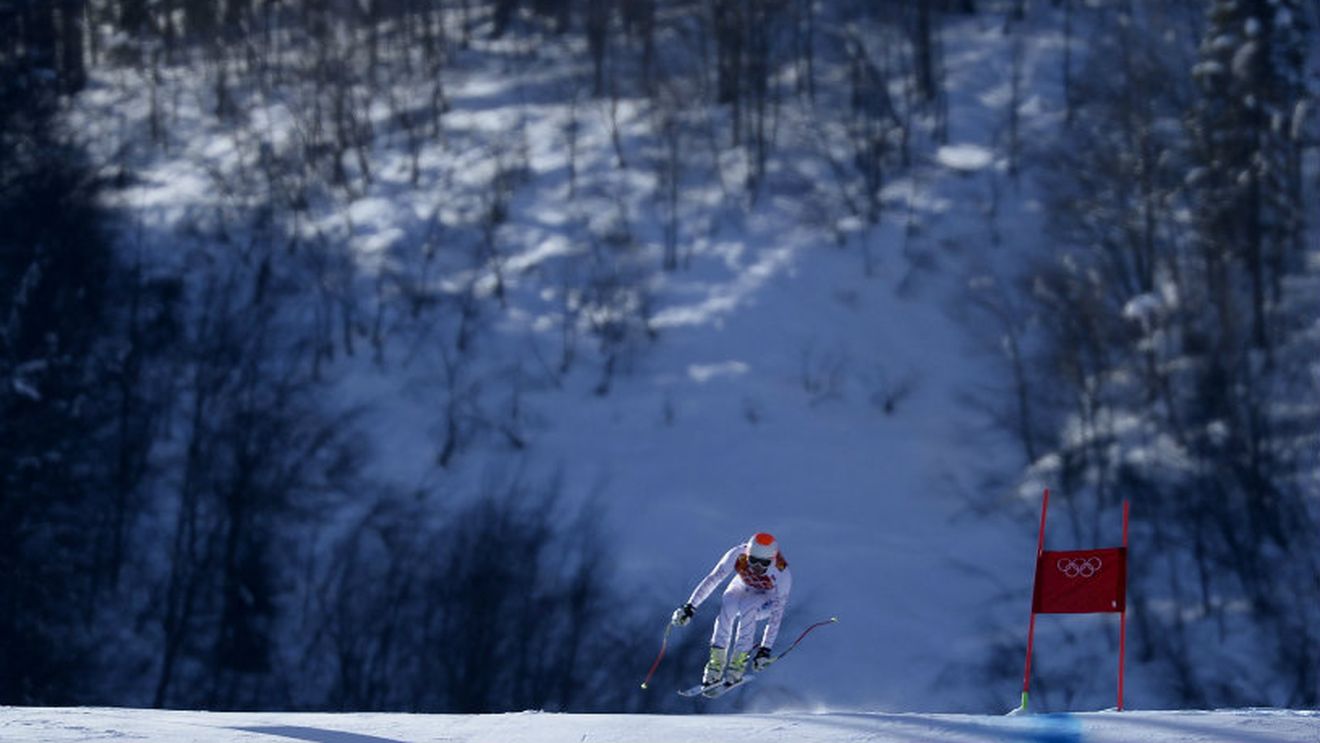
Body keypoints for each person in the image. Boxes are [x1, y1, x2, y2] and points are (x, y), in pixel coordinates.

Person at [671, 532, 792, 687]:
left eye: (764, 564)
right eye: (753, 560)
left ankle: (737, 666)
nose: (757, 567)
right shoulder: (737, 554)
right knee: (728, 605)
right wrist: (690, 607)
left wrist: (765, 649)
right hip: (742, 586)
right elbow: (713, 579)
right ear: (747, 554)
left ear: (773, 560)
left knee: (749, 607)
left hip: (766, 598)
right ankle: (715, 666)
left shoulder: (782, 573)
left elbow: (776, 615)